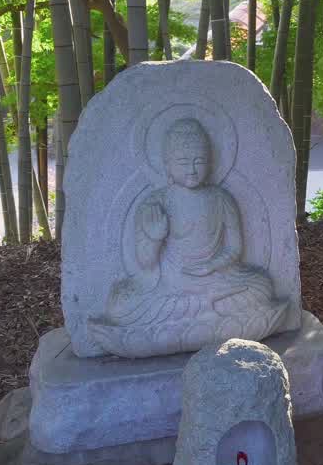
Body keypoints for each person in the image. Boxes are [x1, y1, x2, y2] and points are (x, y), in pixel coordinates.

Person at [95, 118, 288, 357]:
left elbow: (234, 249)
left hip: (217, 278)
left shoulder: (221, 198)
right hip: (170, 285)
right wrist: (154, 238)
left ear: (211, 161)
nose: (192, 169)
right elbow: (146, 263)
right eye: (183, 162)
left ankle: (189, 322)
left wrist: (210, 266)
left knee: (262, 287)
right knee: (120, 306)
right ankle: (211, 316)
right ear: (167, 165)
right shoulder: (155, 203)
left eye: (199, 161)